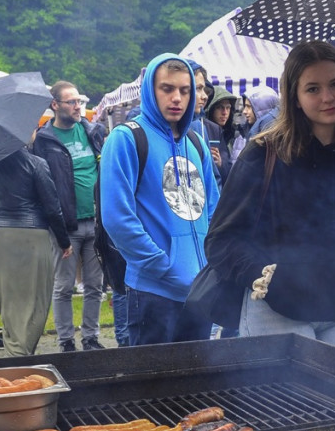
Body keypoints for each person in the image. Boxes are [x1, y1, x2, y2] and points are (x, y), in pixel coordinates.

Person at [205, 40, 335, 357]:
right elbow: (220, 241)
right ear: (294, 96)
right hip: (277, 308)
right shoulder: (264, 152)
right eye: (313, 89)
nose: (327, 97)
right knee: (291, 407)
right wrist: (263, 276)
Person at [100, 54, 220, 345]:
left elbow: (215, 209)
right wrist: (159, 265)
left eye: (185, 90)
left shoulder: (196, 142)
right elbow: (117, 217)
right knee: (153, 386)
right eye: (167, 89)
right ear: (150, 91)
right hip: (154, 292)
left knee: (196, 384)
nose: (177, 98)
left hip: (199, 291)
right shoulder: (127, 138)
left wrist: (210, 265)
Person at [32, 80, 107, 352]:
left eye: (80, 101)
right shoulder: (44, 140)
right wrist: (58, 229)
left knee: (95, 286)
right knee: (63, 287)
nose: (78, 107)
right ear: (55, 105)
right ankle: (66, 341)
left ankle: (91, 338)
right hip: (66, 226)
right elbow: (43, 187)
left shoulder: (92, 131)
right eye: (72, 102)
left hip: (97, 222)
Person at [0, 144, 72, 356]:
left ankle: (14, 348)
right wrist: (64, 240)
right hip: (31, 235)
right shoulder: (36, 163)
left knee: (10, 299)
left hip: (0, 234)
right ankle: (20, 355)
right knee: (36, 299)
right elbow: (52, 206)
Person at [203, 86, 238, 184]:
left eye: (228, 108)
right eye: (220, 107)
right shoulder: (202, 131)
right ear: (211, 108)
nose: (225, 113)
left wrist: (221, 163)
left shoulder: (235, 136)